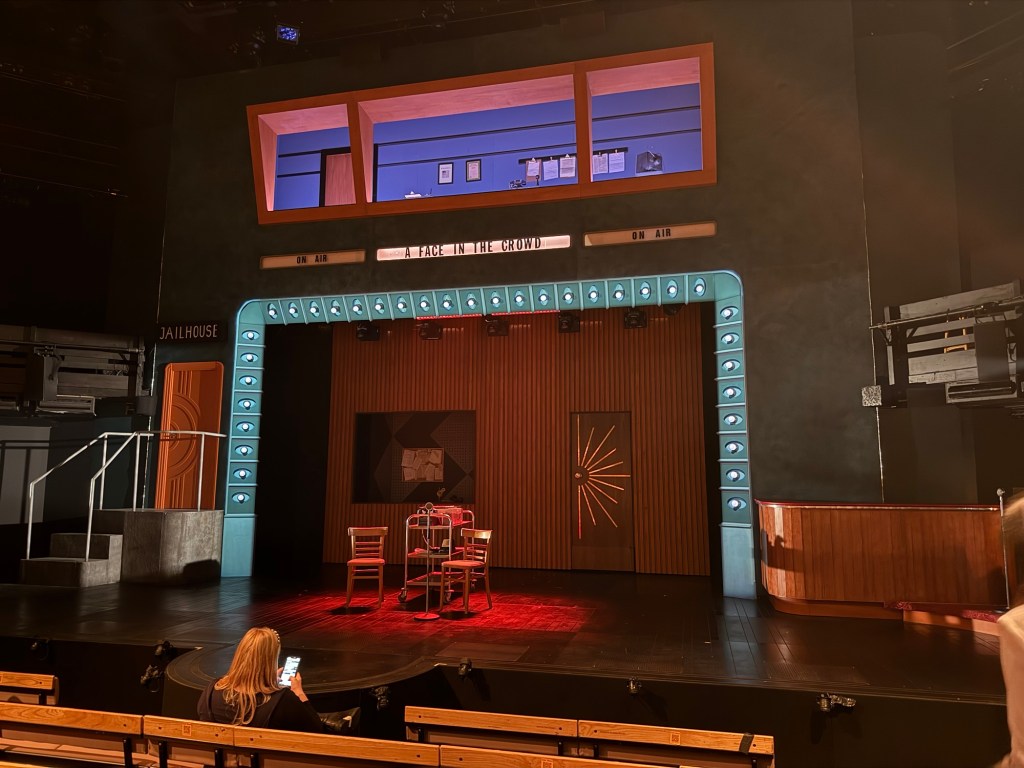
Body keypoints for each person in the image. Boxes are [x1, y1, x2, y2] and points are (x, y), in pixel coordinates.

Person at [197, 626, 325, 732]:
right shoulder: (282, 700)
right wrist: (299, 693)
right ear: (271, 661)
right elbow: (317, 731)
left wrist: (266, 681)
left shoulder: (211, 691)